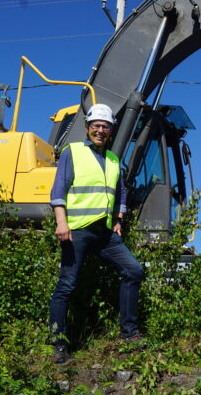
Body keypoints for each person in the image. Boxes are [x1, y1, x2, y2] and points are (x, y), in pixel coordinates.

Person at [48, 103, 144, 364]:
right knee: (66, 286)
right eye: (96, 126)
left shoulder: (113, 160)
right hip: (76, 230)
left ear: (111, 131)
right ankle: (59, 345)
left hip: (104, 232)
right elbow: (58, 190)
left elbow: (120, 191)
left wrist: (118, 219)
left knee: (133, 270)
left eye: (105, 127)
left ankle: (129, 333)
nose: (100, 131)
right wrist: (61, 222)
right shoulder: (73, 152)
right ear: (88, 128)